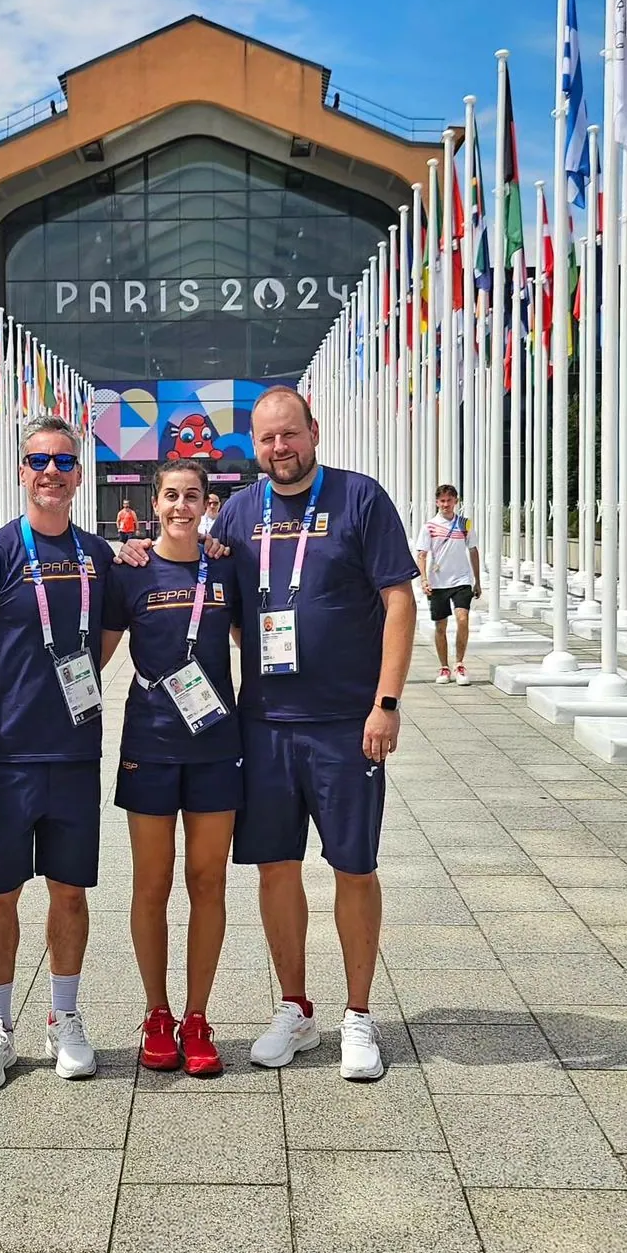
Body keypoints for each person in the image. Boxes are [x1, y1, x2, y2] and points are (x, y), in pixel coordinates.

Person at [119, 386, 418, 1080]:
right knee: (274, 867)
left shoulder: (360, 499)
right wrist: (137, 553)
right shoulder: (243, 513)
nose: (279, 448)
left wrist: (388, 702)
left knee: (353, 865)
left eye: (290, 434)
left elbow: (400, 600)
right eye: (266, 439)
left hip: (347, 724)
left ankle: (358, 1016)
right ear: (252, 447)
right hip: (263, 726)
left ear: (314, 431)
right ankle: (296, 1007)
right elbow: (196, 576)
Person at [0, 415, 114, 1092]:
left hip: (72, 758)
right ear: (22, 470)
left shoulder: (97, 555)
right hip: (3, 762)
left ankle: (65, 1017)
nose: (50, 471)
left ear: (77, 475)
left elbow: (113, 631)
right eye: (38, 459)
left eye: (63, 462)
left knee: (70, 893)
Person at [101, 459, 242, 1077]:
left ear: (208, 503)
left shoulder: (228, 564)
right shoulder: (130, 571)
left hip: (216, 744)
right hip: (150, 744)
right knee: (152, 884)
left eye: (193, 497)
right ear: (152, 503)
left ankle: (197, 1016)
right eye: (171, 496)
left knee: (208, 883)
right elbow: (95, 653)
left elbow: (258, 636)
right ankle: (157, 1013)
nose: (182, 506)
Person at [414, 483, 481, 686]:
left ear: (456, 501)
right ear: (437, 502)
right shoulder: (429, 527)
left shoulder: (465, 524)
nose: (446, 504)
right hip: (438, 582)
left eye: (449, 500)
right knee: (441, 625)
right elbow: (422, 554)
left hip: (461, 579)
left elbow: (473, 550)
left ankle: (459, 663)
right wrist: (423, 579)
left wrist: (477, 580)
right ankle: (444, 666)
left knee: (463, 619)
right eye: (442, 501)